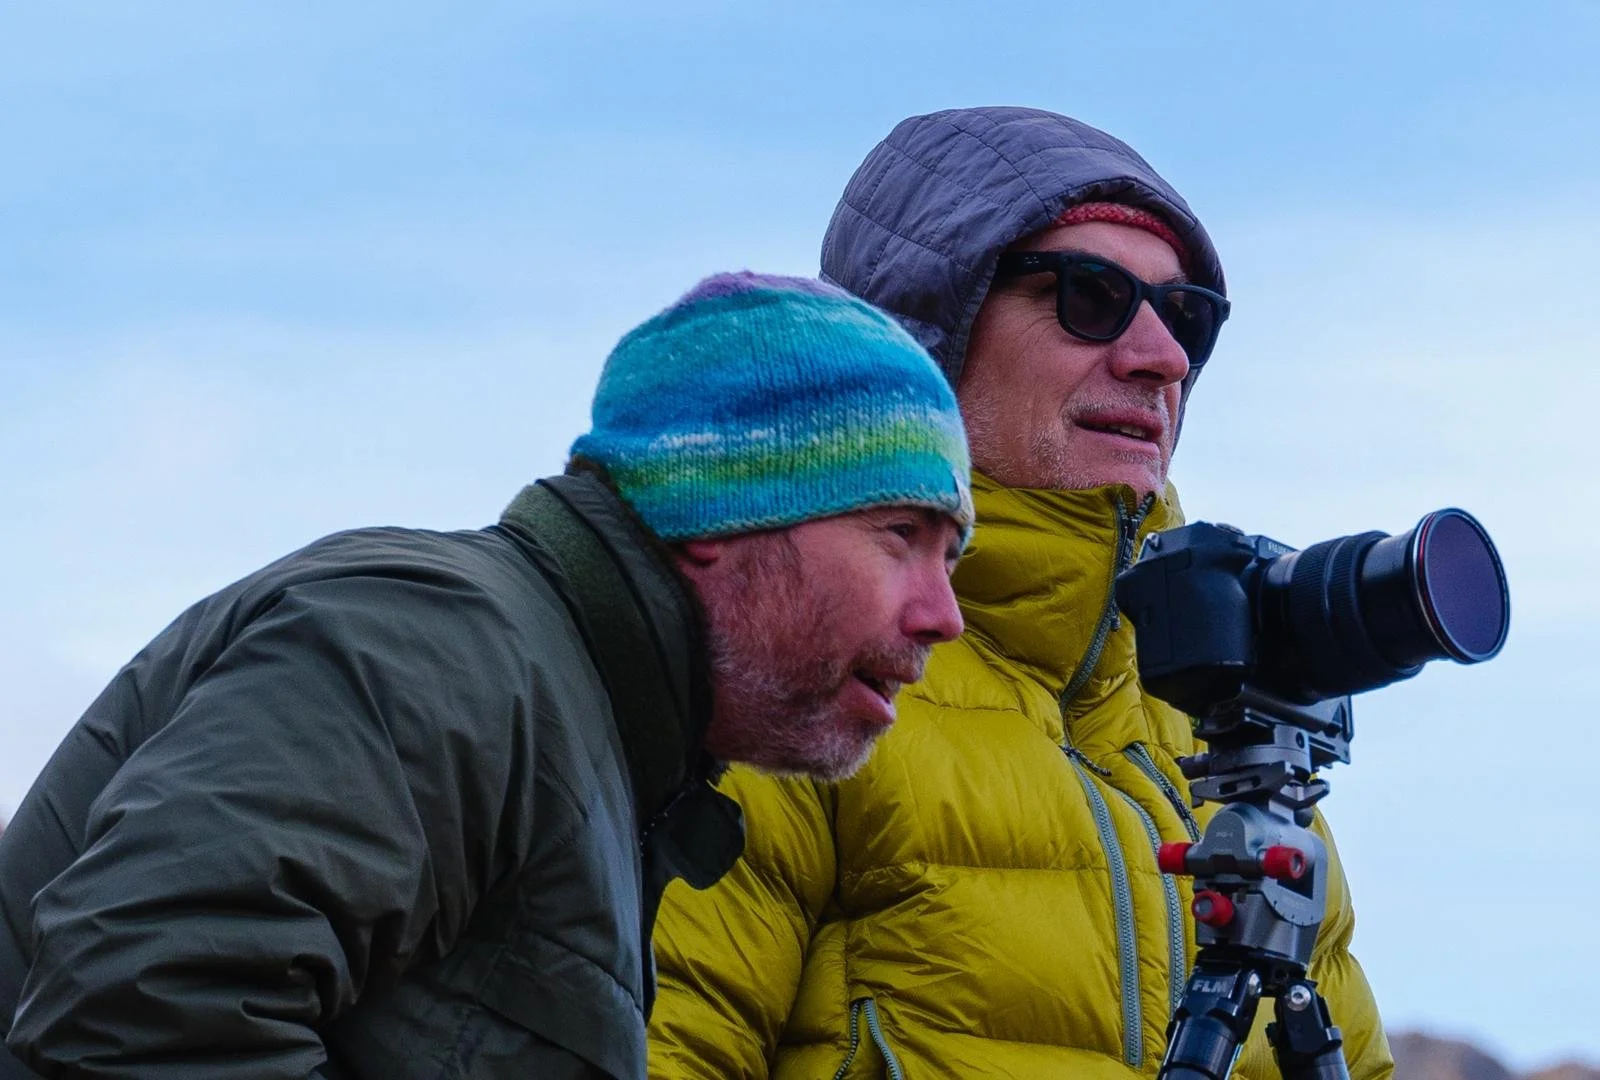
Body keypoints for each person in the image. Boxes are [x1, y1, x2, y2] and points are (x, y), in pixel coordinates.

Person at [0, 271, 975, 1080]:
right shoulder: (438, 649)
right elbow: (140, 1014)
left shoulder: (597, 740)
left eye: (951, 557)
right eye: (900, 537)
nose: (944, 615)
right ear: (716, 513)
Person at [647, 109, 1395, 1078]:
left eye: (1186, 316)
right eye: (1090, 297)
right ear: (927, 334)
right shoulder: (793, 686)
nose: (1158, 356)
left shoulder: (1232, 749)